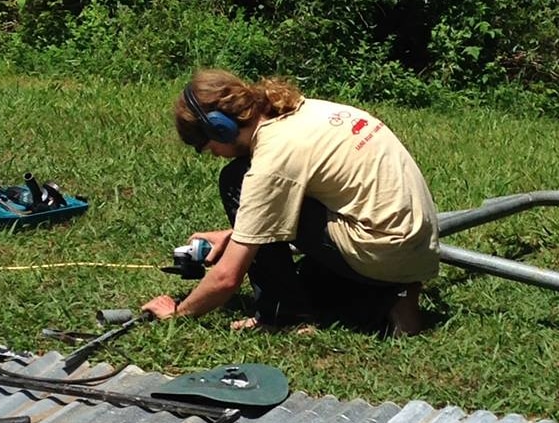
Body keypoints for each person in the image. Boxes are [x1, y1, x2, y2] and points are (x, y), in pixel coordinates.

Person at [142, 69, 439, 336]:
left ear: (221, 128)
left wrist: (178, 314)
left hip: (380, 251)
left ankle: (284, 315)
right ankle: (395, 297)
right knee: (308, 282)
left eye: (207, 147)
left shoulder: (273, 158)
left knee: (235, 178)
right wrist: (235, 236)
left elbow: (227, 279)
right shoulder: (305, 111)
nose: (214, 154)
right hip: (418, 245)